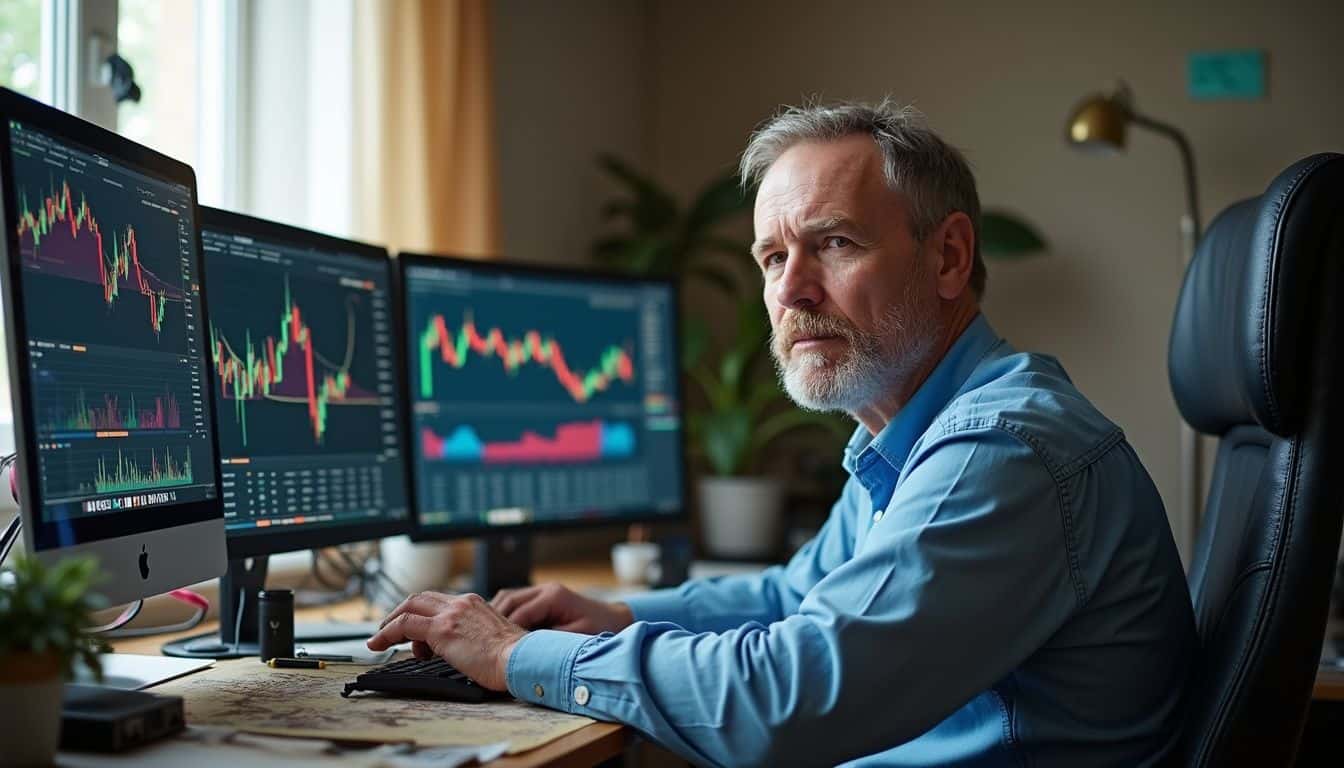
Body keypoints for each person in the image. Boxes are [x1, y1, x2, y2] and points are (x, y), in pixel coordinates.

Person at [368, 100, 1197, 766]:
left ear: (948, 258)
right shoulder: (910, 436)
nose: (792, 291)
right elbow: (793, 600)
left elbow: (784, 699)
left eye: (833, 243)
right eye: (771, 257)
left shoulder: (1003, 450)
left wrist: (516, 657)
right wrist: (615, 613)